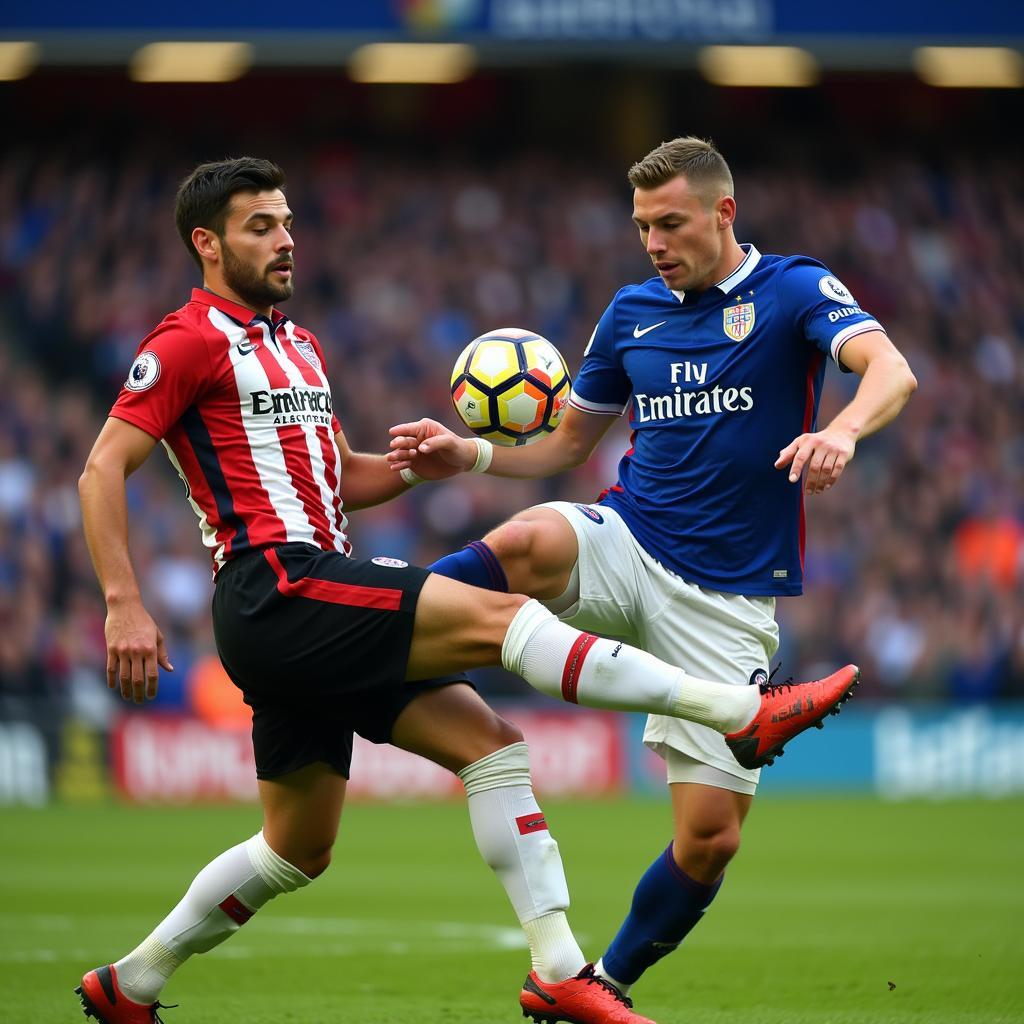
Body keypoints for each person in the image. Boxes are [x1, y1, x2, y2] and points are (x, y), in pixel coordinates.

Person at [74, 156, 854, 1024]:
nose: (287, 239)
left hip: (312, 594)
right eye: (262, 227)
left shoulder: (297, 346)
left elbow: (341, 483)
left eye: (288, 221)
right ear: (207, 244)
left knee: (333, 829)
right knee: (502, 617)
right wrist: (123, 601)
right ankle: (737, 714)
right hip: (276, 586)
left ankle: (131, 982)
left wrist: (417, 465)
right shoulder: (184, 342)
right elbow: (103, 466)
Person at [388, 137, 917, 1007]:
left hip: (730, 595)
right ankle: (375, 622)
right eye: (642, 226)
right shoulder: (631, 312)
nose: (654, 242)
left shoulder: (791, 289)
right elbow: (566, 443)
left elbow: (891, 371)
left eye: (670, 222)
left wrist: (843, 431)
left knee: (709, 841)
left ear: (724, 212)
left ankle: (600, 984)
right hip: (628, 541)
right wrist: (471, 453)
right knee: (526, 542)